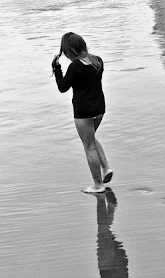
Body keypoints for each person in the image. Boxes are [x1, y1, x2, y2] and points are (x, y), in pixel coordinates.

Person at [52, 32, 113, 193]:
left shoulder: (75, 67)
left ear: (68, 50)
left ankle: (98, 185)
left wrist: (56, 68)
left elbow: (62, 88)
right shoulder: (97, 60)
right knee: (91, 139)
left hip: (83, 111)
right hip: (99, 108)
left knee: (88, 146)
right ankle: (106, 168)